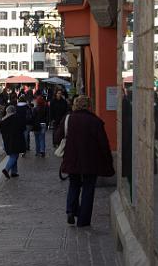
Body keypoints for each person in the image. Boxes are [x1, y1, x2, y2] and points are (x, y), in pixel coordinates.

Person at [55, 95, 114, 227]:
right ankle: (83, 220)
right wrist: (109, 162)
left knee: (74, 184)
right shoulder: (95, 121)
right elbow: (104, 144)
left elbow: (57, 137)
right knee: (88, 188)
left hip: (72, 158)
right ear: (89, 106)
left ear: (75, 105)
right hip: (90, 160)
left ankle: (71, 210)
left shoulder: (68, 119)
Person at [0, 105, 26, 178]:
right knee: (15, 155)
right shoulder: (17, 118)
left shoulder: (3, 120)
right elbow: (23, 128)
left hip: (7, 140)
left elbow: (1, 132)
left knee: (13, 155)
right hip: (16, 140)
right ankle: (6, 169)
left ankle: (14, 172)